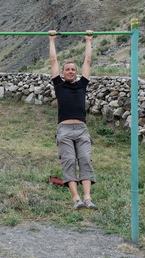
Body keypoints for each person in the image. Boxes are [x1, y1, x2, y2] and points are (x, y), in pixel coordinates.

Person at [48, 29, 98, 210]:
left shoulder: (82, 83)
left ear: (76, 73)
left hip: (82, 129)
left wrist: (88, 40)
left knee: (85, 158)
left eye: (73, 70)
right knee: (69, 160)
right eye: (67, 69)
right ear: (63, 72)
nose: (70, 71)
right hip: (65, 130)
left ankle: (87, 198)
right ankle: (76, 199)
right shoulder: (58, 84)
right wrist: (52, 39)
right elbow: (53, 60)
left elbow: (88, 61)